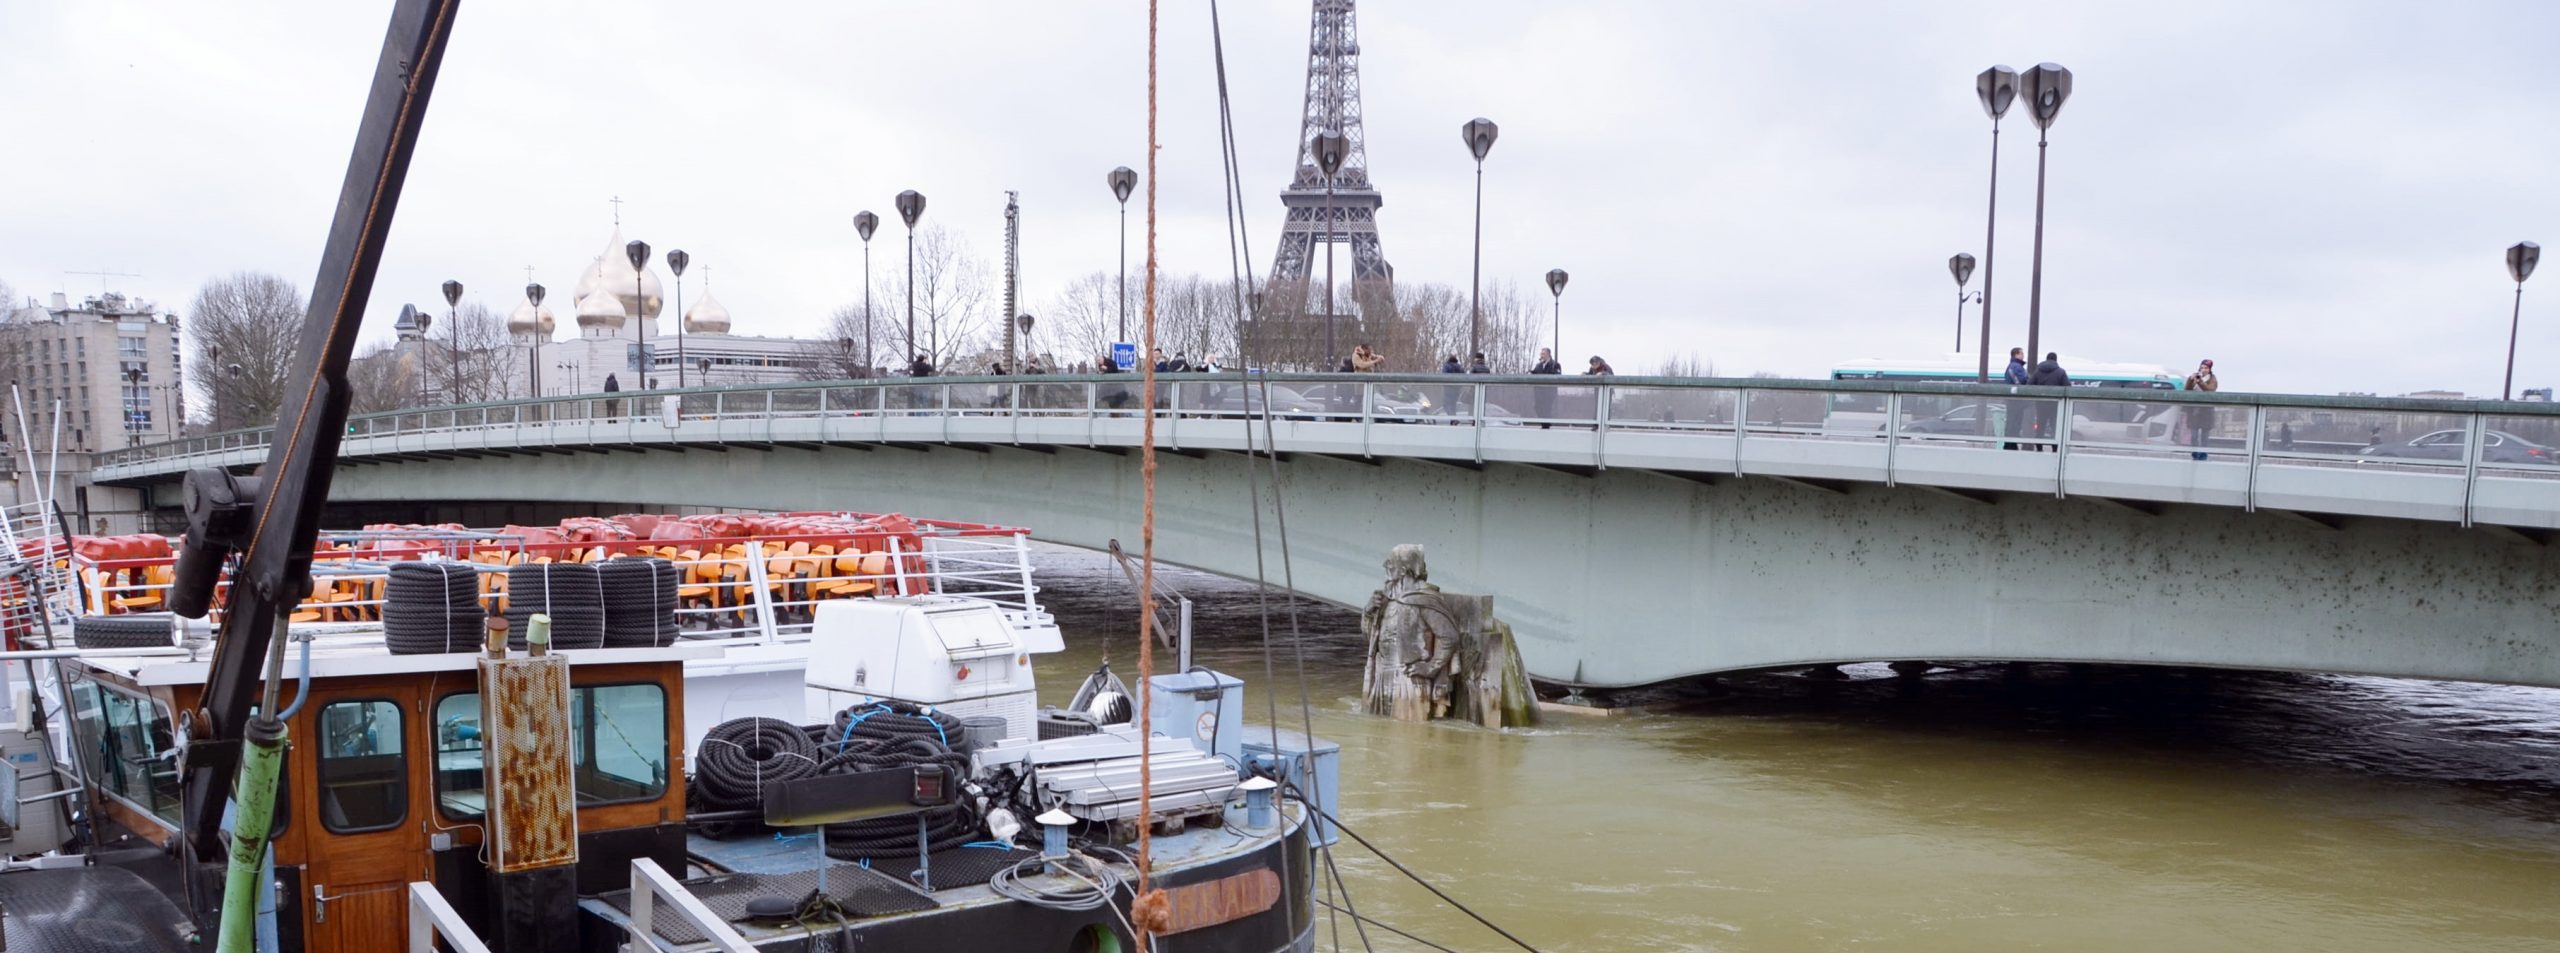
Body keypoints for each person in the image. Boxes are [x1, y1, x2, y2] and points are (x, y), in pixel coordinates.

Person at [2028, 352, 2069, 449]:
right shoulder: (2060, 372)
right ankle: (2055, 448)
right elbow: (2068, 387)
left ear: (2046, 359)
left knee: (2040, 426)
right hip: (2056, 405)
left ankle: (2039, 447)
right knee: (2054, 426)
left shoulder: (2038, 371)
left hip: (2041, 404)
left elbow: (2029, 385)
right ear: (2056, 360)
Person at [2184, 358, 2219, 460]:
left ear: (2209, 369)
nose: (2203, 370)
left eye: (2206, 368)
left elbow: (2209, 390)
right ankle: (2194, 454)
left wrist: (2200, 382)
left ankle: (2203, 455)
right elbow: (2187, 390)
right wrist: (2191, 379)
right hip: (2194, 411)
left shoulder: (2213, 379)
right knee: (2194, 435)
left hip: (2206, 412)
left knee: (2204, 436)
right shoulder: (2195, 376)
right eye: (2202, 367)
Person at [2002, 347, 2029, 450]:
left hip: (2012, 400)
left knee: (2012, 422)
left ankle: (2010, 444)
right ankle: (2011, 445)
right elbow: (2022, 381)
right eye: (2021, 353)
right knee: (2015, 423)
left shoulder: (2012, 366)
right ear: (2016, 355)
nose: (2023, 355)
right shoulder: (2016, 367)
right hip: (2017, 400)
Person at [1530, 347, 1563, 427]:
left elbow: (1557, 376)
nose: (1542, 355)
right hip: (1539, 393)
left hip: (1549, 393)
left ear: (1548, 354)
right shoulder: (1538, 365)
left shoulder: (1555, 364)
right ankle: (1544, 424)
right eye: (1541, 354)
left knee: (1547, 409)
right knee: (1537, 407)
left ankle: (1546, 426)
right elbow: (1535, 374)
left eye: (1543, 354)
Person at [1440, 354, 1465, 418]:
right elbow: (1464, 376)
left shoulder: (1447, 366)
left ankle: (1452, 418)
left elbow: (1443, 376)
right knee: (1453, 405)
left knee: (1445, 405)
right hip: (1457, 390)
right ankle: (1453, 419)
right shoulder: (1459, 367)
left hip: (1448, 389)